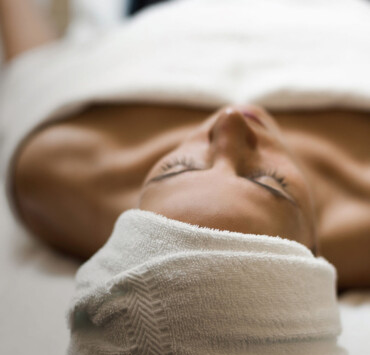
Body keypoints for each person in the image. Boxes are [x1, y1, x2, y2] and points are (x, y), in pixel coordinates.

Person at [1, 0, 369, 291]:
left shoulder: (57, 170)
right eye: (269, 180)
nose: (230, 120)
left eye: (177, 167)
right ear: (317, 255)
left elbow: (35, 71)